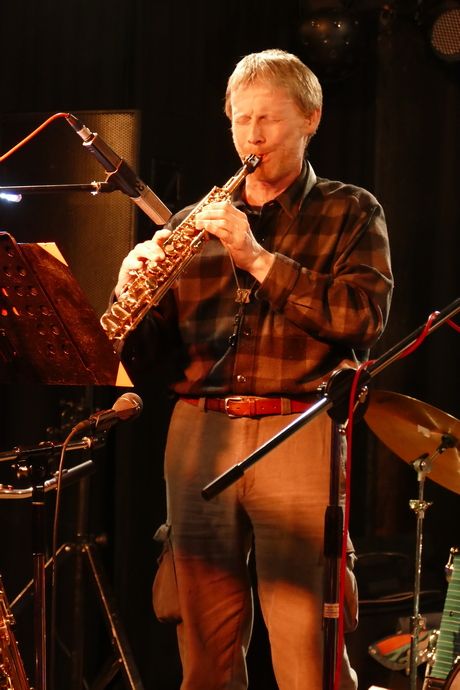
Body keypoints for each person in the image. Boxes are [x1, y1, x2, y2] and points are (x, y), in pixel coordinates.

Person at [111, 49, 393, 690]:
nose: (252, 136)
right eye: (241, 120)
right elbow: (149, 359)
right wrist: (131, 297)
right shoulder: (192, 224)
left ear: (311, 119)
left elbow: (362, 318)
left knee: (306, 651)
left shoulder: (351, 211)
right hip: (198, 429)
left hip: (297, 426)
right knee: (202, 649)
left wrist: (257, 257)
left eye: (268, 118)